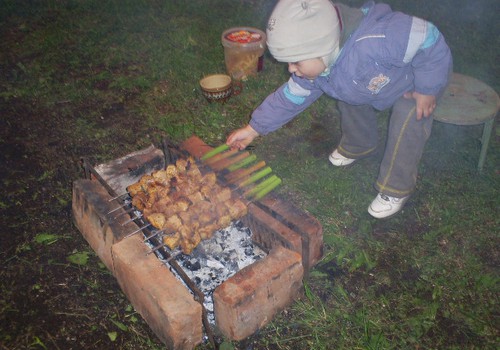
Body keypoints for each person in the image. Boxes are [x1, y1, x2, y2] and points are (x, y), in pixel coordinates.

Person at [226, 0, 453, 219]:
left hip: (415, 83)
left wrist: (428, 87)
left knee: (409, 119)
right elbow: (289, 98)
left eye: (296, 62)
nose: (291, 70)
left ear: (321, 48)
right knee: (345, 92)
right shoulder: (320, 66)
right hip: (365, 83)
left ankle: (395, 188)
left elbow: (427, 36)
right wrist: (253, 129)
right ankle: (360, 143)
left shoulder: (377, 40)